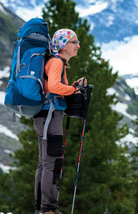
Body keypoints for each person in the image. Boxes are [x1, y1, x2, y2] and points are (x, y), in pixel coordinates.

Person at [33, 29, 87, 214]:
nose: (78, 46)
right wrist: (73, 90)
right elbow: (55, 86)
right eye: (74, 42)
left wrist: (72, 87)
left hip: (44, 117)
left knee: (44, 163)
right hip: (50, 117)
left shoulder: (56, 62)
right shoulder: (56, 62)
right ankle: (48, 209)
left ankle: (42, 207)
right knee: (52, 162)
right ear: (63, 45)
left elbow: (53, 86)